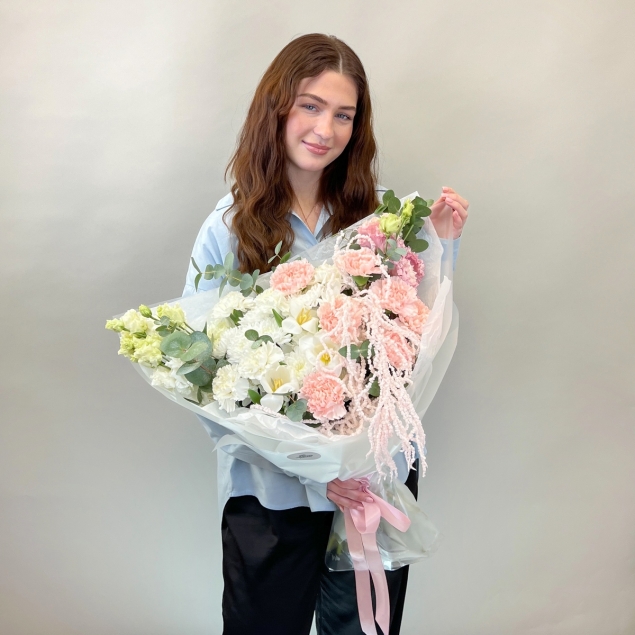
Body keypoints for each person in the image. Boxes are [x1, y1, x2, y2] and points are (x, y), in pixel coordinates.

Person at [183, 33, 469, 635]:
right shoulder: (229, 229)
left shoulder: (382, 218)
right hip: (272, 492)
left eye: (344, 114)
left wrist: (442, 245)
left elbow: (416, 330)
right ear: (276, 108)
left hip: (371, 481)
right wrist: (314, 465)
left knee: (363, 629)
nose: (325, 129)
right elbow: (204, 380)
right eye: (310, 106)